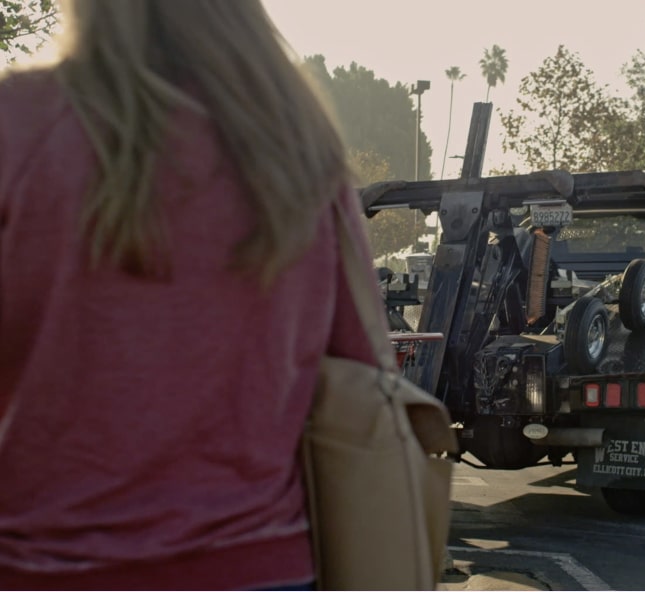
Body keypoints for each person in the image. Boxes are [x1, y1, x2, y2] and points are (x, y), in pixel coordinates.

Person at [0, 1, 384, 589]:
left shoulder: (21, 123)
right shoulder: (298, 147)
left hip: (46, 566)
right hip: (261, 565)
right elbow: (362, 366)